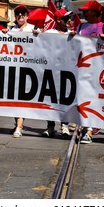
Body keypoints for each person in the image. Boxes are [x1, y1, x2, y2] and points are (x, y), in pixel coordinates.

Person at [73, 0, 104, 144]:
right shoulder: (80, 26)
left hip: (97, 69)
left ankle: (89, 130)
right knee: (82, 99)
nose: (84, 13)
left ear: (95, 12)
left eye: (87, 10)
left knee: (93, 99)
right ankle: (84, 125)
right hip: (81, 68)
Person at [41, 8, 73, 138]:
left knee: (65, 99)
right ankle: (50, 126)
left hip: (67, 71)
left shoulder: (72, 34)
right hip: (51, 71)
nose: (68, 21)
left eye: (69, 18)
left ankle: (64, 125)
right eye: (66, 18)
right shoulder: (49, 33)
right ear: (58, 20)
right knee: (50, 99)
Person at [9, 4, 36, 138]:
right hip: (13, 69)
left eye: (23, 14)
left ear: (27, 16)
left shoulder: (33, 29)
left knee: (22, 98)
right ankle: (18, 123)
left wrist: (39, 35)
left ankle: (19, 126)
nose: (20, 16)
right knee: (14, 99)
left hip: (28, 68)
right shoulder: (11, 29)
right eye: (18, 14)